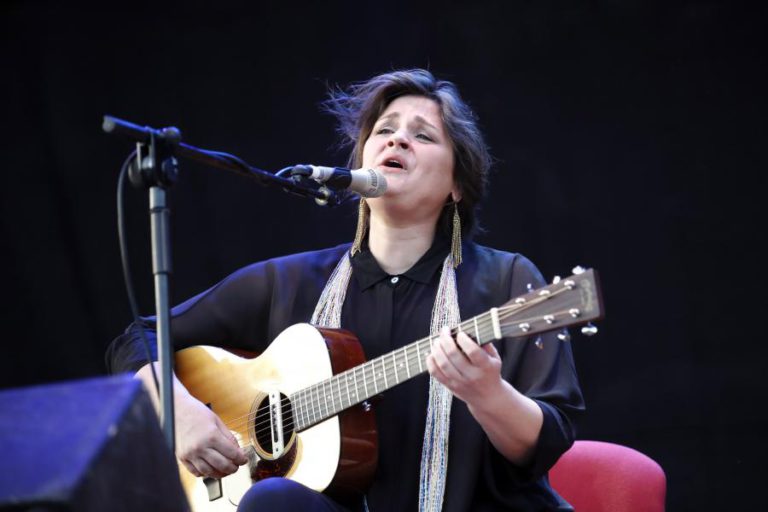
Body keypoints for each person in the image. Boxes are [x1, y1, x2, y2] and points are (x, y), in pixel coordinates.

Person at [106, 69, 584, 512]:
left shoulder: (505, 281)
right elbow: (137, 340)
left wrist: (487, 394)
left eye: (423, 135)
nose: (398, 137)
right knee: (273, 500)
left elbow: (546, 444)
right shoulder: (289, 283)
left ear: (457, 185)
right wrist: (180, 413)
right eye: (385, 130)